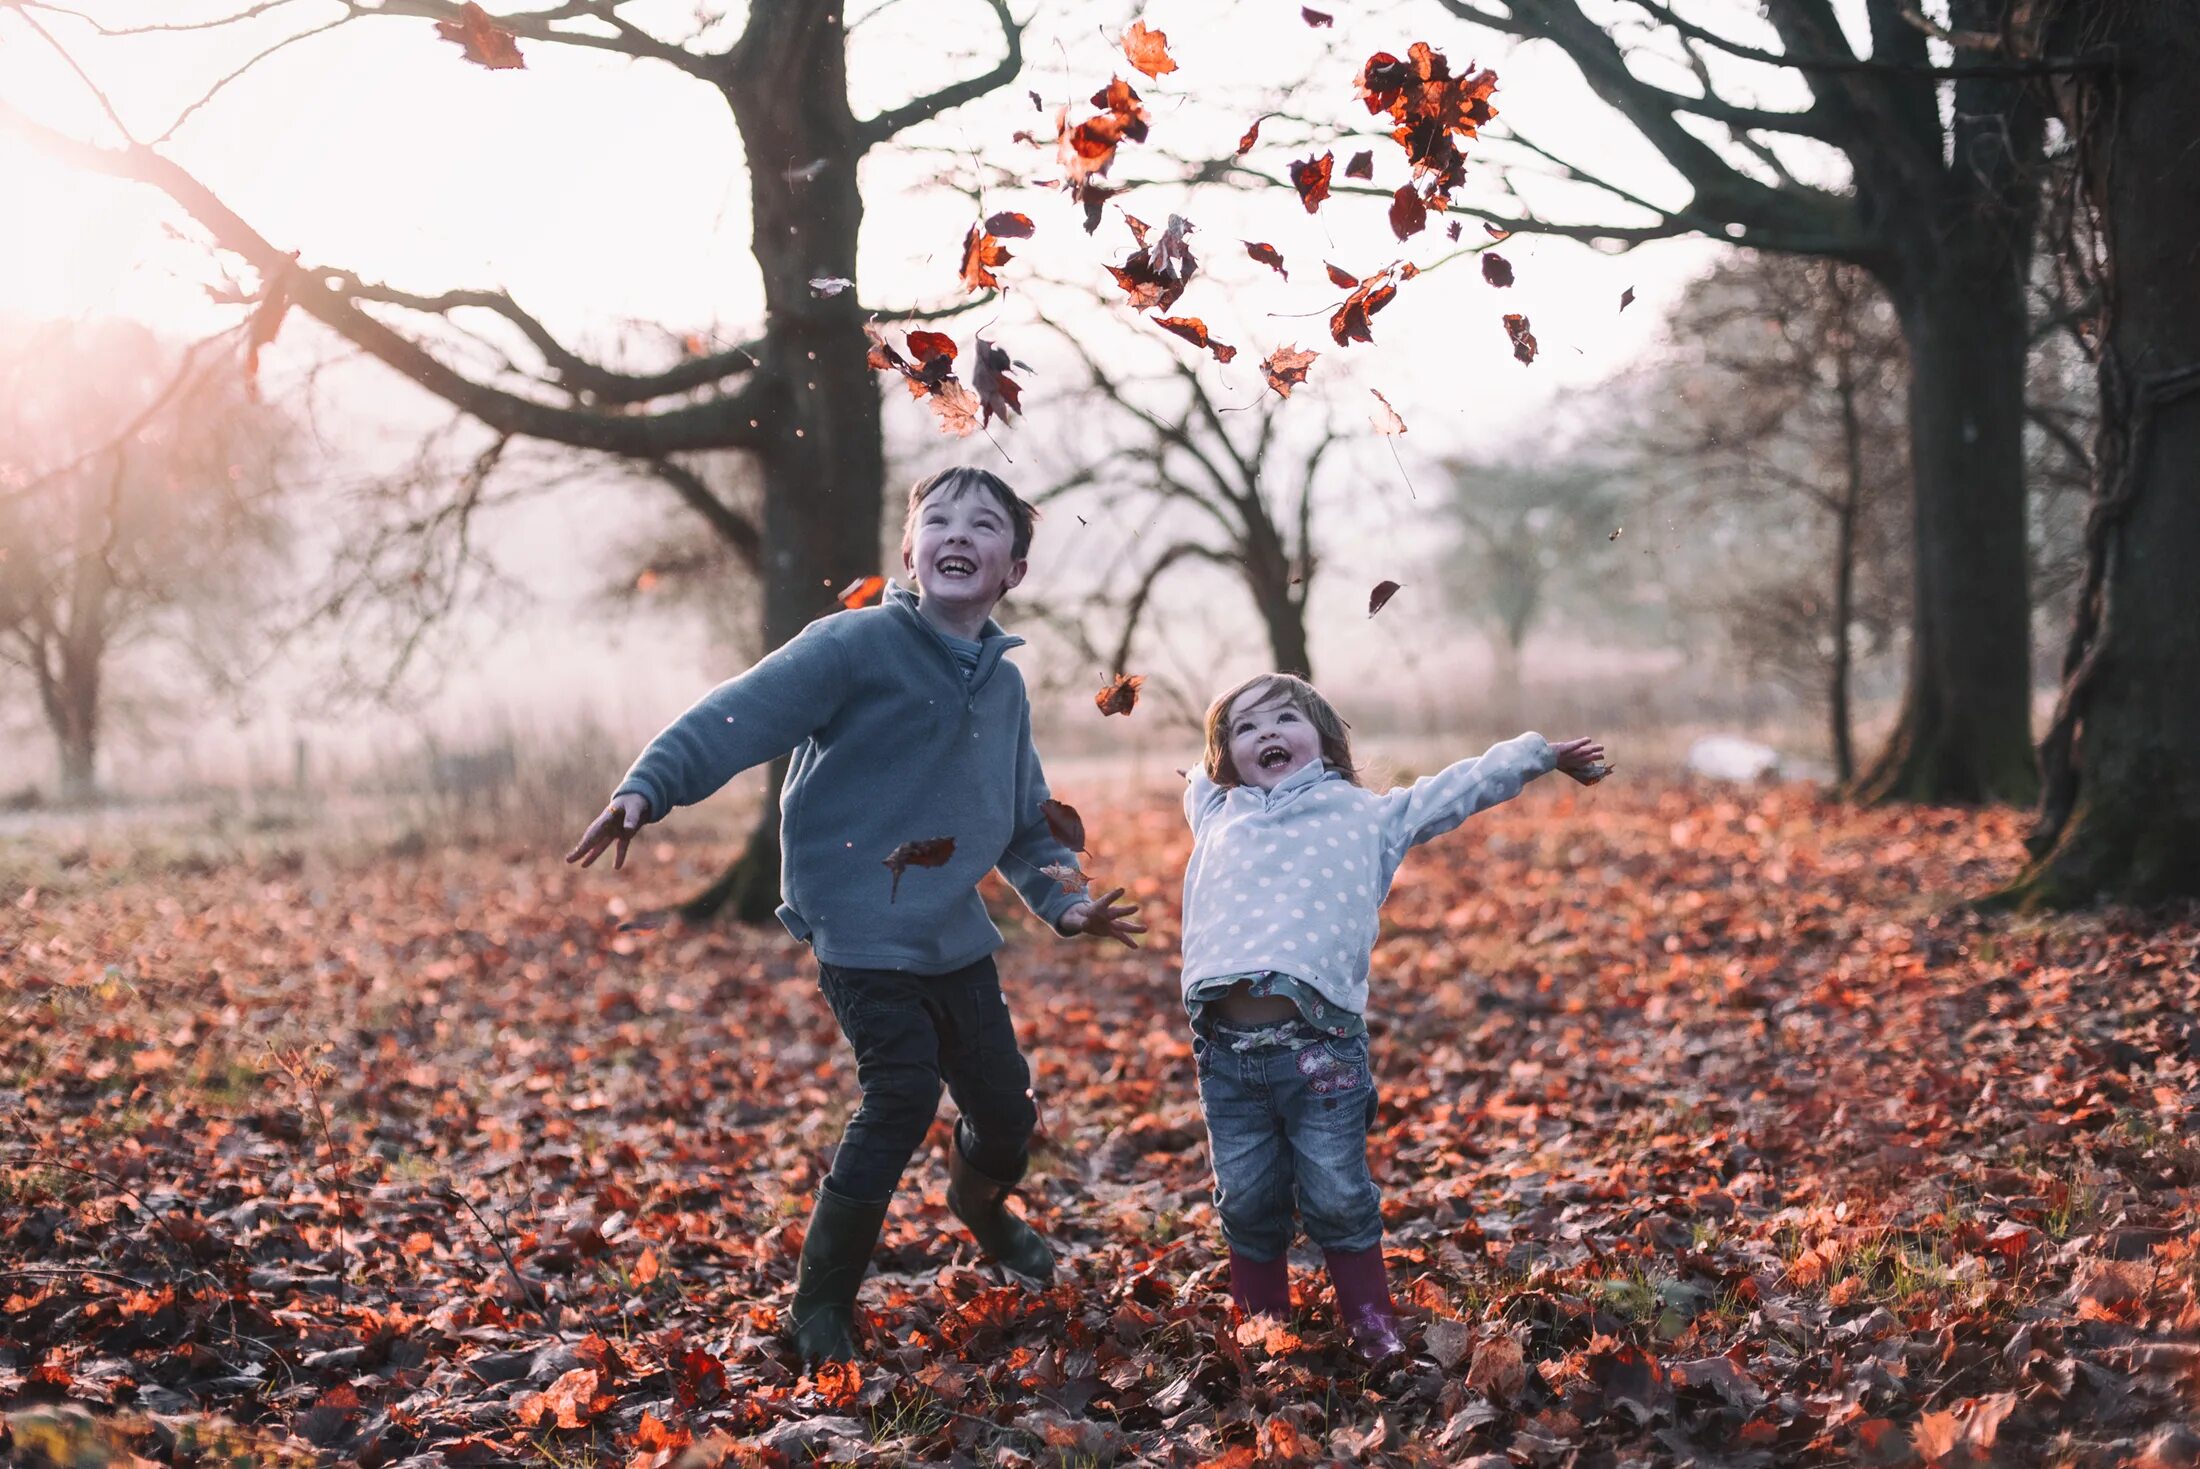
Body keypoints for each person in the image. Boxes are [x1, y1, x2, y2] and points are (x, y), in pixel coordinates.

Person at [567, 466, 1144, 1364]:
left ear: (1014, 571)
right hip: (858, 925)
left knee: (1006, 1113)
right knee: (902, 1092)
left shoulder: (1004, 688)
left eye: (983, 525)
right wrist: (648, 787)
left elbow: (1026, 817)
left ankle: (980, 1202)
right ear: (910, 553)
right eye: (937, 520)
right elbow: (738, 714)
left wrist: (1067, 902)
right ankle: (821, 1304)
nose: (958, 533)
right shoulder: (855, 644)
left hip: (953, 935)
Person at [1178, 672, 1605, 1361]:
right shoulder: (1217, 814)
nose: (1266, 733)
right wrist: (1200, 767)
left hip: (1321, 1052)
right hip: (1226, 1056)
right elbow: (1197, 779)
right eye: (1245, 728)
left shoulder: (1364, 815)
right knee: (1247, 1199)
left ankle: (1371, 1321)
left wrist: (1538, 755)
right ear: (1226, 754)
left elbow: (1455, 790)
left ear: (1324, 738)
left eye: (1284, 718)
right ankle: (1260, 1327)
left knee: (1337, 1194)